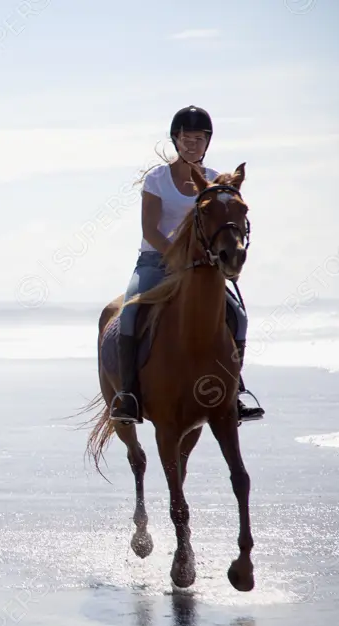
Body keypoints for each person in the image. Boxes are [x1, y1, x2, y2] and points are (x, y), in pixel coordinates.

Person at [110, 105, 265, 425]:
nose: (191, 144)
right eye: (185, 138)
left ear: (207, 142)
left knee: (238, 315)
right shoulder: (157, 179)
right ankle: (128, 395)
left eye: (198, 138)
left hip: (201, 267)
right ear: (175, 140)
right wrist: (179, 257)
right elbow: (150, 230)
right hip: (156, 261)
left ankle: (235, 393)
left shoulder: (214, 180)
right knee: (128, 313)